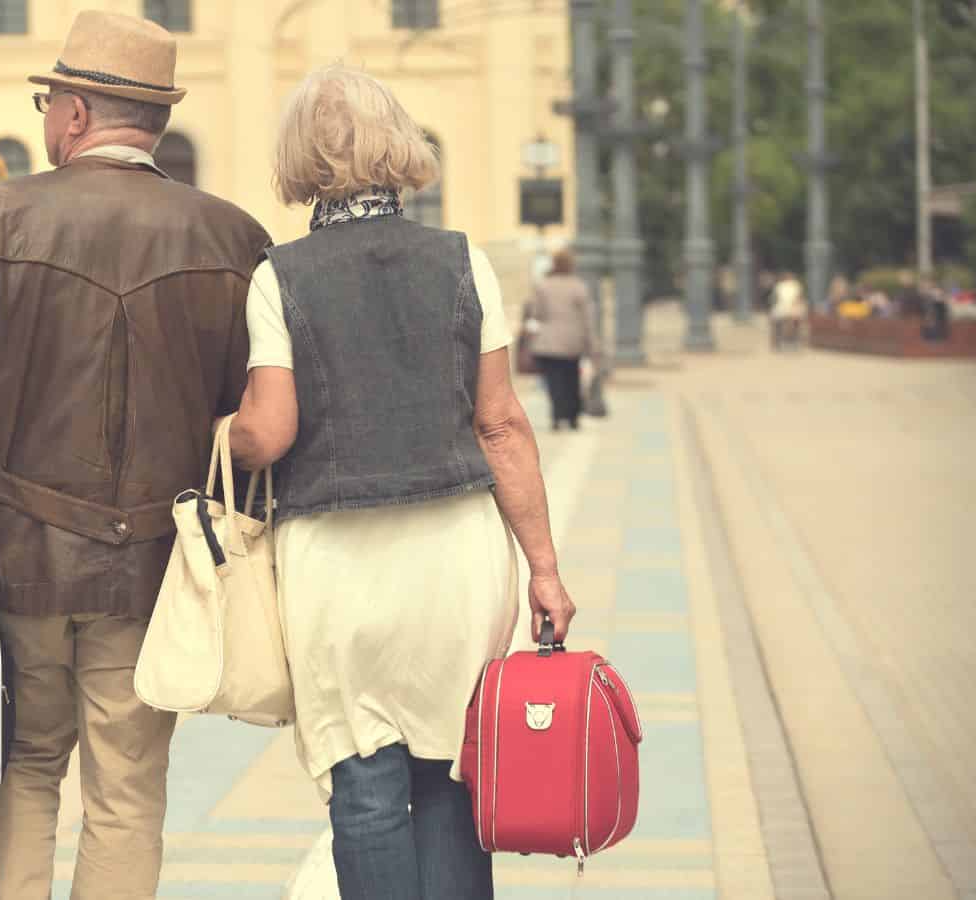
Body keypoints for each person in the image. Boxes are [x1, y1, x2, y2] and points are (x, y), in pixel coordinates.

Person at [0, 11, 269, 900]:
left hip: (11, 567)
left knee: (21, 770)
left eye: (53, 100)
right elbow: (244, 420)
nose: (50, 116)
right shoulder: (233, 239)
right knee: (128, 791)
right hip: (154, 575)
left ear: (78, 115)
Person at [227, 64, 577, 900]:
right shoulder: (463, 264)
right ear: (398, 146)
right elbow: (501, 426)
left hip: (336, 571)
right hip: (453, 561)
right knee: (453, 781)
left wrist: (222, 435)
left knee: (365, 787)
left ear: (298, 159)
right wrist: (545, 568)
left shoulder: (281, 275)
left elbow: (268, 432)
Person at [525, 247, 600, 431]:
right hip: (572, 342)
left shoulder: (543, 286)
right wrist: (592, 343)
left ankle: (557, 417)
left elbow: (537, 313)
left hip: (547, 342)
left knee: (553, 382)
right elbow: (587, 317)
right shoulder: (578, 286)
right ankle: (573, 417)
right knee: (572, 379)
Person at [769, 271, 806, 350]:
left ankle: (793, 340)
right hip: (781, 308)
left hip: (793, 308)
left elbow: (798, 298)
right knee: (775, 319)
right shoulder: (780, 286)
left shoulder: (796, 286)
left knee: (795, 319)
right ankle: (777, 341)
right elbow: (776, 299)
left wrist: (794, 308)